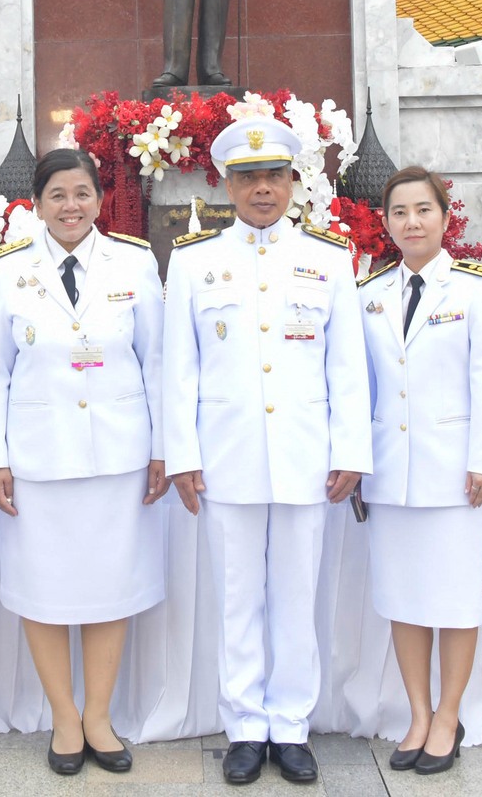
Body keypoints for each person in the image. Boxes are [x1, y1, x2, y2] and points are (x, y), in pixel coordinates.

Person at [164, 117, 370, 785]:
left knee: (296, 597)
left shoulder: (328, 259)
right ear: (227, 185)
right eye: (248, 177)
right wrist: (182, 454)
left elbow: (347, 367)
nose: (262, 189)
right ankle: (246, 727)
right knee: (236, 598)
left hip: (307, 457)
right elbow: (179, 368)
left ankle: (292, 725)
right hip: (226, 459)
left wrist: (350, 449)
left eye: (274, 176)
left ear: (293, 182)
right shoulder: (194, 262)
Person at [0, 147, 167, 775]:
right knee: (43, 588)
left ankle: (99, 717)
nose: (71, 206)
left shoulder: (134, 262)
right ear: (37, 203)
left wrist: (161, 448)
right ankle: (64, 717)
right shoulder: (9, 269)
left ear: (100, 199)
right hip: (38, 456)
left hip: (118, 453)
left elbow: (156, 361)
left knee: (110, 586)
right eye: (58, 195)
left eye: (82, 193)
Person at [357, 167, 482, 776]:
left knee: (454, 600)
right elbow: (364, 387)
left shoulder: (478, 290)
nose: (412, 222)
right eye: (399, 212)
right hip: (390, 473)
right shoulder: (369, 293)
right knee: (403, 599)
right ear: (387, 222)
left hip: (456, 475)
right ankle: (418, 714)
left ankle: (449, 715)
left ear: (445, 217)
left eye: (423, 210)